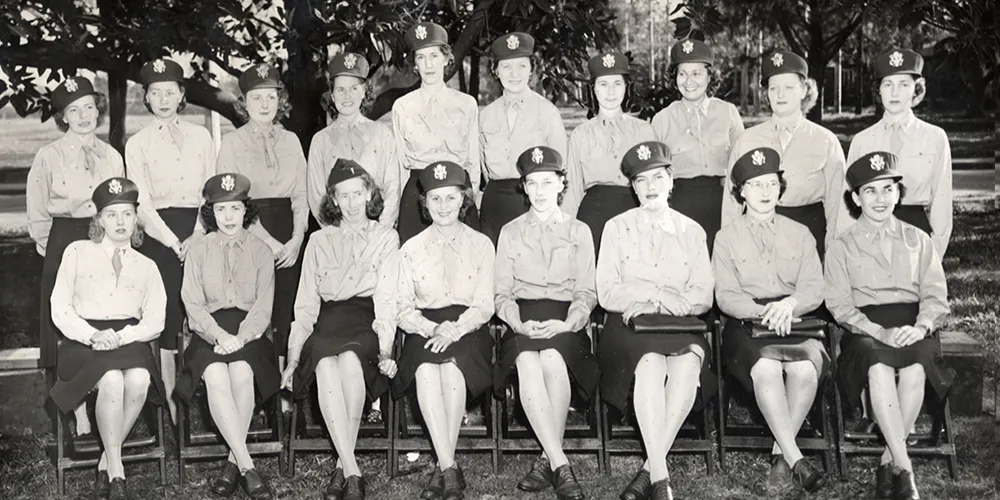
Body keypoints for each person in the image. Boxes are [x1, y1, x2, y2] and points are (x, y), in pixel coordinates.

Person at [826, 152, 953, 500]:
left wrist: (924, 325)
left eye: (887, 189)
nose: (880, 199)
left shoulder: (918, 239)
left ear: (899, 193)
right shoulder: (842, 246)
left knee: (914, 369)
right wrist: (876, 331)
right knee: (879, 367)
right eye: (870, 191)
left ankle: (887, 462)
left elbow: (935, 296)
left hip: (913, 325)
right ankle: (905, 469)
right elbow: (839, 304)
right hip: (866, 331)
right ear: (855, 198)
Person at [596, 142, 717, 500]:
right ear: (632, 187)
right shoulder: (616, 228)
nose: (650, 187)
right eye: (641, 180)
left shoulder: (691, 231)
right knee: (649, 364)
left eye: (658, 178)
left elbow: (703, 296)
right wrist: (651, 301)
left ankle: (651, 469)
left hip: (680, 327)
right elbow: (606, 291)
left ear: (671, 181)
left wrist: (662, 301)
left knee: (687, 363)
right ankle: (661, 478)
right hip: (631, 328)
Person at [281, 160, 400, 500]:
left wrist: (386, 349)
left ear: (369, 195)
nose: (350, 203)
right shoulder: (318, 241)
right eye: (342, 196)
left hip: (366, 320)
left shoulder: (386, 237)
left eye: (357, 194)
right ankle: (350, 468)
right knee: (323, 363)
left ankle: (342, 468)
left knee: (349, 359)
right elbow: (304, 307)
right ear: (333, 200)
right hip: (328, 321)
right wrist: (292, 359)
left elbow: (388, 300)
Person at [712, 147, 828, 495]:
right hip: (749, 323)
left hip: (795, 318)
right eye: (755, 185)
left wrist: (790, 304)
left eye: (771, 184)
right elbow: (726, 296)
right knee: (764, 369)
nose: (764, 193)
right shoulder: (726, 237)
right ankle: (795, 457)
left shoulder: (801, 233)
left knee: (805, 370)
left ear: (780, 188)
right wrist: (765, 312)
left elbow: (814, 287)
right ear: (740, 191)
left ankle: (782, 456)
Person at [48, 177, 166, 500]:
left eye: (127, 214)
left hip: (128, 340)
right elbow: (59, 308)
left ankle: (105, 461)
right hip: (84, 341)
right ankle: (117, 472)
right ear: (98, 218)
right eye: (112, 215)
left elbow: (156, 320)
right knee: (112, 380)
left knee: (140, 379)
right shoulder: (77, 252)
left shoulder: (147, 266)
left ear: (136, 218)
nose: (120, 223)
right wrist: (92, 335)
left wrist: (124, 335)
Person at [493, 146, 597, 500]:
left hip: (565, 320)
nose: (539, 191)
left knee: (552, 359)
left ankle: (545, 460)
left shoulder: (579, 231)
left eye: (547, 182)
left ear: (561, 185)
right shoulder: (509, 232)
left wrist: (570, 322)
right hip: (523, 319)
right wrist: (517, 323)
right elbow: (501, 294)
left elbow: (586, 291)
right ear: (523, 186)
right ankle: (559, 463)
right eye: (532, 183)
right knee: (526, 360)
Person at [27, 75, 126, 436]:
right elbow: (37, 212)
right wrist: (50, 248)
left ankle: (105, 397)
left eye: (89, 107)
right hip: (65, 236)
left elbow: (122, 207)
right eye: (74, 110)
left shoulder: (112, 155)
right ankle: (77, 410)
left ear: (97, 110)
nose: (84, 116)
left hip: (102, 236)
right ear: (63, 116)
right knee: (66, 319)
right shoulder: (48, 156)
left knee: (101, 313)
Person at [392, 162, 495, 500]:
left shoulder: (481, 245)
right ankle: (449, 467)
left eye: (451, 198)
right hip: (426, 327)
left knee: (451, 369)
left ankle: (443, 466)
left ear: (463, 199)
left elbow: (483, 305)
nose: (443, 207)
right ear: (425, 203)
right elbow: (403, 308)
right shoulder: (411, 248)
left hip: (468, 330)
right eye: (435, 199)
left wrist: (455, 330)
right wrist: (432, 327)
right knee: (424, 371)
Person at [175, 173, 279, 500]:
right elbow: (192, 304)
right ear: (212, 213)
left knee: (243, 372)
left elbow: (263, 309)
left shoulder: (262, 250)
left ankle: (233, 463)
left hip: (250, 332)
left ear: (246, 210)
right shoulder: (199, 250)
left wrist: (242, 337)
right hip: (209, 331)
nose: (229, 217)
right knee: (217, 374)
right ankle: (247, 466)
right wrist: (219, 334)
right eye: (222, 210)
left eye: (236, 208)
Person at [126, 58, 217, 423]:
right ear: (146, 98)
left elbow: (210, 190)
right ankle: (170, 403)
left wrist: (196, 234)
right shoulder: (138, 143)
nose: (163, 99)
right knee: (166, 315)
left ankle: (206, 390)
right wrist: (170, 240)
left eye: (170, 92)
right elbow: (141, 201)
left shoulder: (202, 136)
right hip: (159, 234)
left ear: (182, 95)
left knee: (204, 306)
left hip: (198, 229)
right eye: (155, 93)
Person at [217, 63, 307, 400]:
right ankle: (255, 390)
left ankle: (284, 387)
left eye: (271, 97)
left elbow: (301, 194)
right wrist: (267, 241)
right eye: (257, 98)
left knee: (286, 310)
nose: (265, 104)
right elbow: (232, 200)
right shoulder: (232, 143)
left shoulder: (292, 140)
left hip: (288, 232)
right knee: (256, 310)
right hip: (248, 230)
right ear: (244, 102)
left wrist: (297, 239)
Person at [721, 50, 849, 257]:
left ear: (804, 90)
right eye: (773, 88)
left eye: (789, 87)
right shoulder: (747, 140)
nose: (780, 95)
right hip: (758, 240)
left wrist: (834, 250)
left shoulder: (825, 140)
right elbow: (731, 203)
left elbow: (838, 204)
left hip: (810, 237)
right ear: (767, 94)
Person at [847, 48, 952, 256]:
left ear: (916, 90)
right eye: (888, 84)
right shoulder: (862, 140)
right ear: (879, 90)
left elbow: (942, 203)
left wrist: (933, 257)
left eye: (904, 85)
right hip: (870, 240)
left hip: (916, 237)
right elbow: (849, 204)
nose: (895, 93)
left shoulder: (934, 137)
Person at [651, 39, 744, 254]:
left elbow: (741, 166)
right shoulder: (662, 119)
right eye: (682, 73)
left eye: (696, 73)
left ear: (710, 76)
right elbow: (654, 174)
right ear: (674, 78)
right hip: (680, 205)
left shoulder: (728, 113)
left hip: (723, 205)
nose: (689, 81)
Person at [393, 22, 481, 243]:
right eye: (421, 57)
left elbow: (473, 160)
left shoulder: (466, 104)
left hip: (457, 192)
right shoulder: (402, 107)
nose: (428, 64)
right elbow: (400, 165)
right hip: (417, 193)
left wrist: (471, 199)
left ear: (446, 58)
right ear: (415, 63)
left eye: (434, 55)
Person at [478, 32, 568, 245]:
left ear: (531, 70)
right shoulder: (486, 115)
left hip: (534, 201)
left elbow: (561, 166)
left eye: (521, 66)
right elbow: (482, 166)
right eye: (506, 66)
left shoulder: (547, 112)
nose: (514, 74)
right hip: (495, 203)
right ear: (496, 71)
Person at [564, 51, 656, 255]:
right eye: (603, 84)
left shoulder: (644, 130)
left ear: (627, 87)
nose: (611, 92)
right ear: (593, 89)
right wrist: (568, 232)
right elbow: (573, 189)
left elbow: (655, 183)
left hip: (634, 214)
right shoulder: (580, 134)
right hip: (593, 217)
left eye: (617, 84)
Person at [309, 52, 400, 229]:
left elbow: (392, 186)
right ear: (332, 95)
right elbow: (316, 195)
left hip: (377, 229)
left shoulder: (382, 134)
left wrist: (381, 230)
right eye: (340, 90)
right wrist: (335, 234)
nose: (347, 96)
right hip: (336, 233)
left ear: (365, 92)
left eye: (354, 89)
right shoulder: (321, 140)